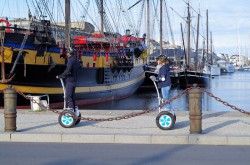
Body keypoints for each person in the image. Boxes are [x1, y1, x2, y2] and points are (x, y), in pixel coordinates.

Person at [56, 47, 80, 113]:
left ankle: (71, 111)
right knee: (72, 97)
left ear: (69, 53)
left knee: (69, 97)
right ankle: (75, 110)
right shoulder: (76, 61)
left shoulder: (70, 60)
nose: (66, 54)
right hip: (75, 81)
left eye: (67, 52)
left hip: (70, 81)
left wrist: (60, 76)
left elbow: (68, 70)